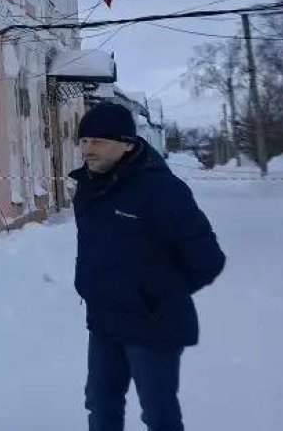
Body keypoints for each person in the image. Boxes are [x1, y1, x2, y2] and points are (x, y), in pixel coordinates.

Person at [71, 102, 226, 431]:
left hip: (151, 325)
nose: (87, 148)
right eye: (83, 141)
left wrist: (154, 294)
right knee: (100, 406)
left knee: (158, 416)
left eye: (97, 140)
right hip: (104, 321)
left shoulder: (162, 190)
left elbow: (208, 259)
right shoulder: (87, 188)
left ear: (127, 143)